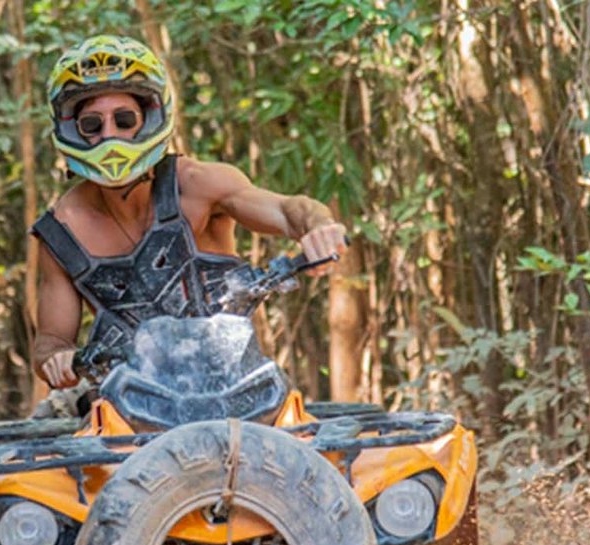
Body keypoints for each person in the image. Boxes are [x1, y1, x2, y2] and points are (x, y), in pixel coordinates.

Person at [30, 34, 351, 389]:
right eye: (92, 124)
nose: (111, 136)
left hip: (235, 385)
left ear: (149, 119)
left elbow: (289, 210)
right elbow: (51, 341)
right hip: (127, 402)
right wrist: (56, 360)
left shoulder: (198, 184)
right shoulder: (63, 230)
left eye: (124, 120)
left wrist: (320, 228)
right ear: (72, 131)